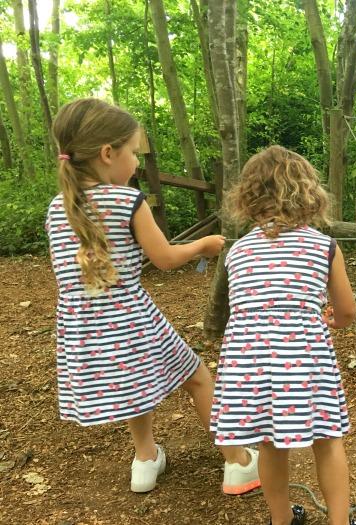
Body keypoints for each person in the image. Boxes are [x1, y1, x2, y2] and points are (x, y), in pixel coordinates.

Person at [45, 98, 260, 495]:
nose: (136, 163)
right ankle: (238, 462)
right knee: (196, 377)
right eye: (133, 152)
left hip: (83, 328)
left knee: (134, 385)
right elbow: (164, 259)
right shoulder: (128, 200)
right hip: (130, 318)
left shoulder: (58, 207)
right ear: (108, 154)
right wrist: (203, 246)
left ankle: (145, 459)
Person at [210, 145, 356, 525]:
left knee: (270, 444)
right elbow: (346, 311)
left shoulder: (238, 252)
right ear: (309, 193)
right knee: (328, 442)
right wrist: (331, 321)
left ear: (248, 198)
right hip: (303, 360)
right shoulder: (323, 247)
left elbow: (250, 304)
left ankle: (281, 519)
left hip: (248, 362)